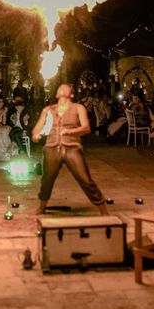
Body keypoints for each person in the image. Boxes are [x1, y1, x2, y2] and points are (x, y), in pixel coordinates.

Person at [31, 84, 109, 215]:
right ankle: (42, 207)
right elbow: (36, 129)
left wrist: (70, 131)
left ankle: (103, 209)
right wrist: (36, 135)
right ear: (56, 94)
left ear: (71, 94)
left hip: (72, 148)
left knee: (85, 179)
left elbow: (86, 128)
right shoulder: (48, 110)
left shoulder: (78, 108)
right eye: (59, 87)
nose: (62, 88)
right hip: (52, 147)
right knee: (47, 180)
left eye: (65, 87)